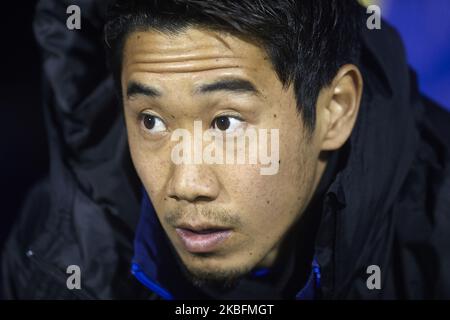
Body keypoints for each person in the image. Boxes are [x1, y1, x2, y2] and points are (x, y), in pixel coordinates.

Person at [2, 0, 449, 300]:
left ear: (335, 110)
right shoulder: (59, 249)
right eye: (152, 121)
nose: (186, 184)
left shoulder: (436, 240)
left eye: (225, 123)